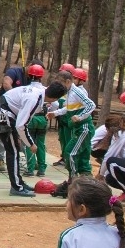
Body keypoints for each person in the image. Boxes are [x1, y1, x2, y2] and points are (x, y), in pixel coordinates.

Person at [0, 82, 66, 198]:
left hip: (7, 112)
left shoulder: (39, 93)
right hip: (4, 114)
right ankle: (16, 187)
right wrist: (31, 144)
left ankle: (19, 183)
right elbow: (21, 125)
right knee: (13, 151)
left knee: (15, 149)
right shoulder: (34, 99)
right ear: (54, 99)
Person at [48, 68, 96, 198]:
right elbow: (68, 108)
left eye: (61, 84)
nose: (60, 87)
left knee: (70, 152)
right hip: (77, 128)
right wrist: (55, 113)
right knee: (82, 158)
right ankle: (87, 184)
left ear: (68, 81)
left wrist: (80, 117)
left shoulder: (77, 91)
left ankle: (73, 181)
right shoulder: (69, 92)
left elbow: (91, 105)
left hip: (84, 128)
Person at [92, 112, 125, 198]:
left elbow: (109, 156)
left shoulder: (121, 134)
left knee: (112, 162)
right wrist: (103, 176)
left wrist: (100, 175)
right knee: (109, 178)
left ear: (110, 129)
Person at [23, 107, 48, 177]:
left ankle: (30, 169)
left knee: (30, 144)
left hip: (31, 118)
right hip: (42, 119)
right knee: (41, 145)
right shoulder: (42, 99)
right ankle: (41, 169)